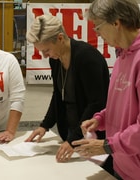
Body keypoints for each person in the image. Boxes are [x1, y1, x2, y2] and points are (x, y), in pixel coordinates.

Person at [72, 0, 140, 179]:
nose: (97, 34)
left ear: (116, 23)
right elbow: (124, 106)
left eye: (97, 27)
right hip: (122, 164)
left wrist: (108, 145)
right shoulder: (123, 55)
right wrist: (101, 119)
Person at [24, 14, 110, 164]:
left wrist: (73, 139)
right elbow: (58, 94)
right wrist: (45, 125)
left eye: (46, 50)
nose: (45, 55)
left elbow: (97, 103)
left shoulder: (87, 58)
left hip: (93, 136)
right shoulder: (55, 59)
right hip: (71, 133)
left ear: (60, 38)